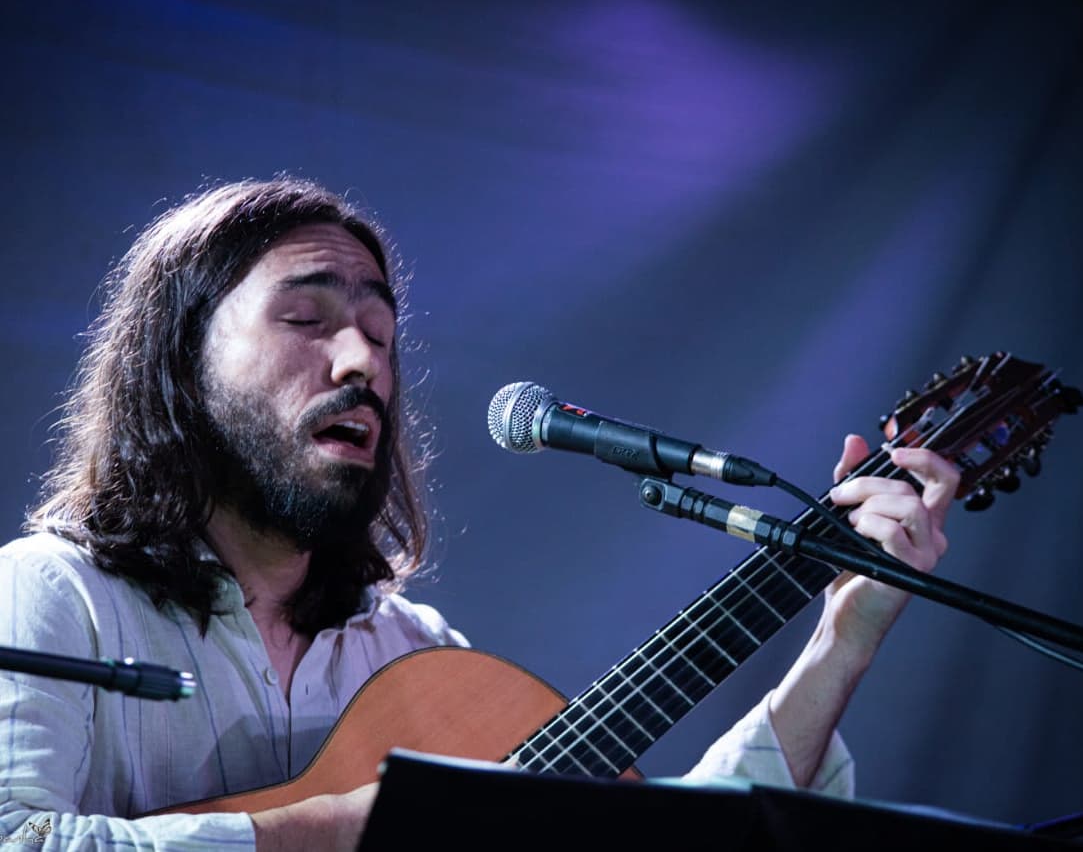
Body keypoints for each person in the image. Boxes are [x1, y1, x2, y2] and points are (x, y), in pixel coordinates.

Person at [0, 177, 959, 851]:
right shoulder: (50, 592)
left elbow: (663, 841)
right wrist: (349, 827)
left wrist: (842, 637)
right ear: (180, 362)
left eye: (379, 334)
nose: (360, 362)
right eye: (308, 320)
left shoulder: (409, 652)